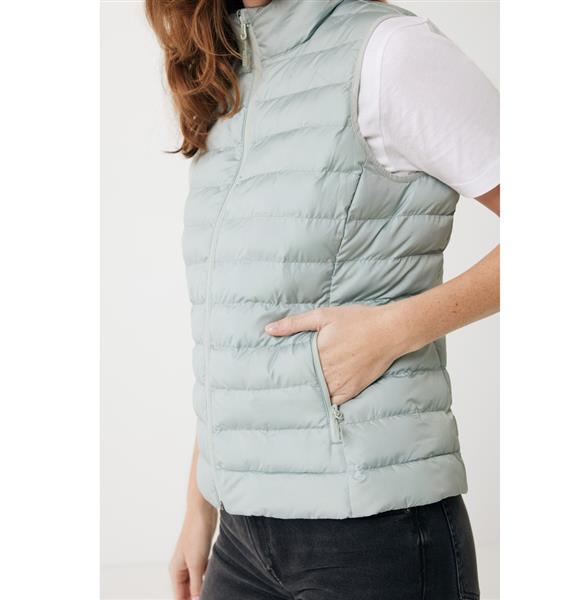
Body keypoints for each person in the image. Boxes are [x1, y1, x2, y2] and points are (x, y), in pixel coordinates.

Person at [146, 1, 499, 598]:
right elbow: (238, 324)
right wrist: (199, 503)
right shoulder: (223, 74)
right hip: (240, 535)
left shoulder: (389, 51)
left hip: (375, 529)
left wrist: (396, 329)